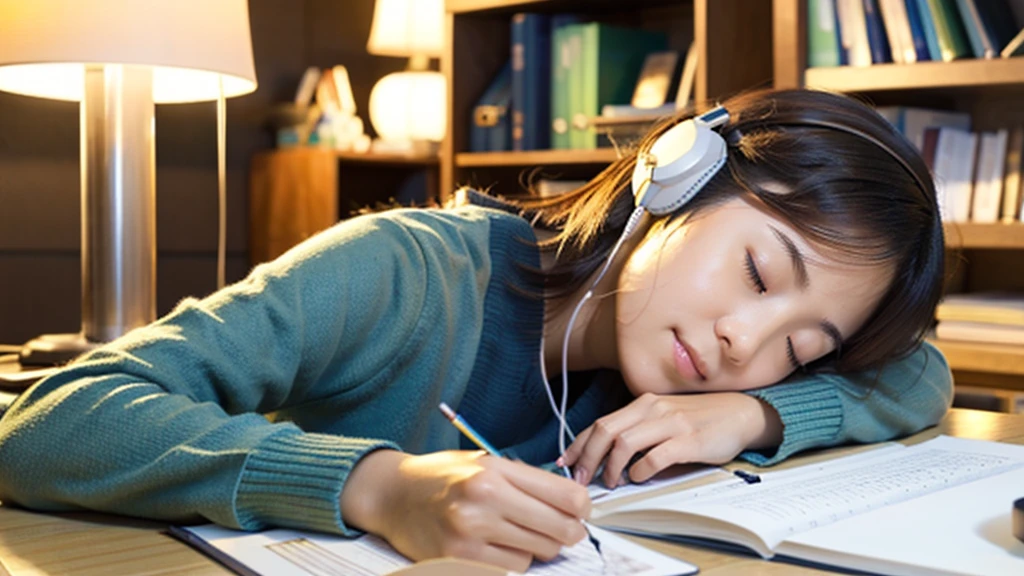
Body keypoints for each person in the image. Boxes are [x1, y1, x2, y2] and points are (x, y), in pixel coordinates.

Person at [0, 89, 951, 573]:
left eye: (802, 345)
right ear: (676, 178)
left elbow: (920, 379)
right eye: (757, 273)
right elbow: (51, 418)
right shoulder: (404, 272)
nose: (748, 343)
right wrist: (376, 487)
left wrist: (743, 417)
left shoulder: (708, 378)